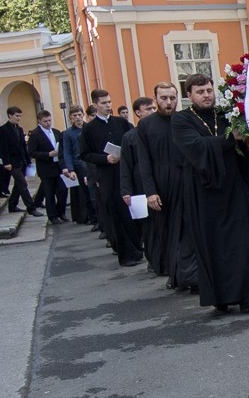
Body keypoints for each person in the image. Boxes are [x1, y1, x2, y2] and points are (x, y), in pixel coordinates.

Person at [172, 73, 249, 313]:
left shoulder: (226, 115)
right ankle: (221, 298)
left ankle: (247, 296)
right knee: (212, 245)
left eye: (209, 90)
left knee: (241, 241)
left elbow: (246, 143)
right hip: (203, 192)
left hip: (233, 187)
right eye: (200, 92)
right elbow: (195, 147)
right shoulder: (182, 120)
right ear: (189, 95)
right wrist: (230, 139)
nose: (206, 96)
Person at [137, 82, 198, 286]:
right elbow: (144, 162)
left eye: (172, 98)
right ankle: (174, 274)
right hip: (161, 185)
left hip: (187, 181)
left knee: (189, 230)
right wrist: (150, 192)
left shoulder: (185, 119)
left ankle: (191, 275)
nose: (169, 102)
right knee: (166, 232)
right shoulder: (146, 125)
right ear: (155, 99)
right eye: (163, 98)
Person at [80, 89, 143, 267]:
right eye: (103, 103)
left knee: (133, 212)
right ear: (95, 105)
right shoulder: (89, 128)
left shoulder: (121, 123)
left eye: (109, 102)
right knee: (116, 214)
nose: (108, 106)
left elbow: (133, 141)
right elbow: (85, 154)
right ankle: (125, 254)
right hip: (107, 176)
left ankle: (138, 248)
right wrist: (105, 159)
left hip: (126, 172)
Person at [120, 97, 155, 266]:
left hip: (159, 183)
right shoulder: (130, 136)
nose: (152, 112)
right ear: (138, 112)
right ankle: (153, 260)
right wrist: (126, 190)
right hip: (140, 187)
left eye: (153, 108)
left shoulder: (159, 131)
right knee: (147, 227)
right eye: (148, 109)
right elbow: (125, 165)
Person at [27, 110, 72, 224]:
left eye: (49, 120)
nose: (48, 123)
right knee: (49, 193)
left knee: (63, 190)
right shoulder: (35, 134)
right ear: (39, 121)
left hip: (58, 167)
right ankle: (52, 216)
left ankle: (61, 212)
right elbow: (32, 152)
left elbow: (61, 150)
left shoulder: (56, 132)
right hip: (46, 168)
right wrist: (47, 154)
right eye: (45, 121)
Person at [0, 106, 42, 217]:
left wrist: (28, 160)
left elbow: (23, 146)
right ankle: (31, 208)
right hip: (12, 162)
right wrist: (6, 162)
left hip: (21, 161)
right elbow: (3, 148)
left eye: (20, 116)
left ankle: (12, 205)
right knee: (22, 184)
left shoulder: (19, 129)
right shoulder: (3, 129)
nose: (18, 118)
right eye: (16, 116)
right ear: (10, 116)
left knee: (18, 184)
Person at [62, 105, 95, 224]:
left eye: (79, 115)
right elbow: (67, 151)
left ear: (83, 115)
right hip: (78, 165)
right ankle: (92, 218)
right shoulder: (68, 133)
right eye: (74, 115)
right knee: (85, 193)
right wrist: (70, 169)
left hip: (91, 163)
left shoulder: (90, 128)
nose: (77, 117)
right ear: (71, 117)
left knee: (94, 192)